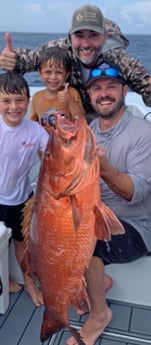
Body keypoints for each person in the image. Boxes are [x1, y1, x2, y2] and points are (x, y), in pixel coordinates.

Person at [66, 61, 151, 345]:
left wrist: (105, 167)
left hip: (136, 227)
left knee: (88, 243)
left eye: (111, 87)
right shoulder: (89, 128)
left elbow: (137, 192)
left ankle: (100, 315)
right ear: (90, 95)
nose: (104, 94)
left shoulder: (142, 132)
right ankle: (97, 283)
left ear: (125, 91)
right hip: (96, 216)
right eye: (97, 88)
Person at [0, 5, 151, 123]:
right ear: (70, 37)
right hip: (69, 121)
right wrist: (13, 61)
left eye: (93, 35)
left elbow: (145, 85)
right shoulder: (59, 49)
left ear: (105, 37)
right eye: (79, 35)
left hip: (105, 122)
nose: (85, 44)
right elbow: (28, 60)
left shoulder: (117, 58)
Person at [0, 71, 49, 306]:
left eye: (20, 100)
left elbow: (54, 155)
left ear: (28, 101)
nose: (14, 107)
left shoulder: (36, 131)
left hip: (22, 199)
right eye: (6, 101)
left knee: (23, 244)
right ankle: (3, 277)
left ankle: (29, 283)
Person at [30, 46, 85, 133]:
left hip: (68, 143)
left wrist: (70, 100)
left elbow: (81, 120)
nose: (53, 77)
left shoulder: (72, 93)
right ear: (40, 73)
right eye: (48, 72)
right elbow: (33, 125)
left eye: (59, 72)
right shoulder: (37, 97)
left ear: (66, 75)